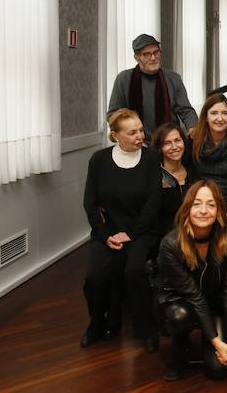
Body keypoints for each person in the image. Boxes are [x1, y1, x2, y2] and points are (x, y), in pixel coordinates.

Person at [81, 109, 160, 352]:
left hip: (141, 231)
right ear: (115, 136)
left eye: (140, 129)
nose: (140, 135)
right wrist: (105, 235)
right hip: (108, 232)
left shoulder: (150, 159)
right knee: (94, 277)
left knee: (134, 271)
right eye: (132, 132)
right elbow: (90, 203)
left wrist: (132, 233)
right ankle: (99, 322)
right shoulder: (99, 160)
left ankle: (146, 329)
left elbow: (153, 202)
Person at [158, 180, 227, 381]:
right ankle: (180, 344)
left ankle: (210, 335)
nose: (204, 210)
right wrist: (218, 343)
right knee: (179, 316)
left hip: (213, 304)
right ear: (187, 209)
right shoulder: (171, 244)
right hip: (182, 303)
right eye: (196, 204)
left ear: (219, 211)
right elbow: (194, 296)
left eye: (211, 205)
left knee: (219, 371)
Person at [107, 34, 198, 139]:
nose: (153, 58)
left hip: (168, 141)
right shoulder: (123, 79)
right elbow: (113, 115)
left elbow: (186, 110)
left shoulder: (173, 78)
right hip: (137, 143)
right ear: (137, 57)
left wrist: (193, 126)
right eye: (146, 54)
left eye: (156, 52)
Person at [192, 94, 227, 226]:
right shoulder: (195, 141)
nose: (219, 118)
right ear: (206, 117)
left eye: (225, 113)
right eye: (213, 113)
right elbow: (192, 177)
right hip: (199, 203)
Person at [151, 123, 197, 239]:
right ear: (159, 148)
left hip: (194, 230)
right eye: (167, 143)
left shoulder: (193, 170)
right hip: (165, 236)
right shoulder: (154, 175)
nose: (174, 147)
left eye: (177, 140)